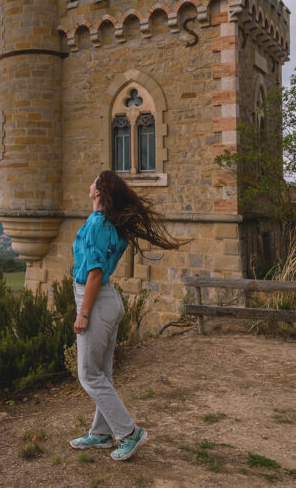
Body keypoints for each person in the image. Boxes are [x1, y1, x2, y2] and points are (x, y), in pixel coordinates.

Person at [69, 169, 183, 461]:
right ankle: (102, 433)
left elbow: (94, 274)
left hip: (94, 299)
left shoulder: (97, 224)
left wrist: (83, 314)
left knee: (89, 375)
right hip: (108, 300)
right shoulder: (111, 224)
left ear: (98, 192)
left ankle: (129, 432)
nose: (91, 181)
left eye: (94, 180)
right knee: (102, 373)